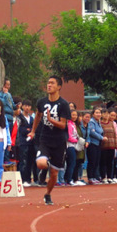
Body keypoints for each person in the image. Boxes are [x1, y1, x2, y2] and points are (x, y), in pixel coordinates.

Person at [28, 76, 71, 206]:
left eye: (52, 83)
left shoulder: (63, 104)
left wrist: (51, 120)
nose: (49, 85)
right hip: (45, 138)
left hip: (59, 141)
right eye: (48, 83)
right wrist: (33, 131)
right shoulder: (41, 102)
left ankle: (47, 194)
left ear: (59, 87)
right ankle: (43, 169)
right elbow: (38, 116)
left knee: (54, 173)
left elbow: (63, 125)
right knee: (41, 163)